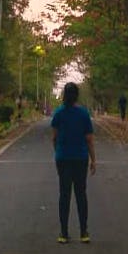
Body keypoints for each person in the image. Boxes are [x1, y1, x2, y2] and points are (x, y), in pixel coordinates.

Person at [50, 82, 96, 244]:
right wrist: (93, 160)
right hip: (80, 158)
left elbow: (54, 138)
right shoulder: (83, 114)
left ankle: (63, 233)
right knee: (81, 194)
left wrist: (58, 153)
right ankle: (84, 232)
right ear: (77, 95)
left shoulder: (59, 113)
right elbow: (89, 139)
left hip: (63, 158)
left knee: (64, 194)